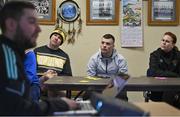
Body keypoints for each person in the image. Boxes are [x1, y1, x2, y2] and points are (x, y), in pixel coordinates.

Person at [0, 1, 77, 115]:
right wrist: (59, 104)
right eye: (31, 22)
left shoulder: (18, 54)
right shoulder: (7, 56)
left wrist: (42, 82)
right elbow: (17, 109)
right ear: (11, 24)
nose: (39, 29)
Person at [87, 34, 128, 100]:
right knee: (87, 95)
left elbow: (122, 77)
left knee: (122, 96)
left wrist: (109, 90)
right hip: (97, 86)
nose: (104, 45)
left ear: (113, 46)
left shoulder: (121, 59)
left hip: (114, 87)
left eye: (108, 44)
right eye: (102, 43)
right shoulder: (93, 58)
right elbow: (91, 77)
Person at [34, 27, 72, 97]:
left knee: (51, 79)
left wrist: (56, 76)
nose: (56, 38)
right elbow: (31, 71)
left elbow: (68, 76)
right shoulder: (37, 51)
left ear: (61, 42)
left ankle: (51, 103)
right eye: (55, 35)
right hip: (39, 82)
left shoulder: (64, 56)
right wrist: (44, 74)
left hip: (55, 83)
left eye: (60, 38)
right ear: (51, 36)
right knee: (48, 77)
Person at [147, 32, 180, 108]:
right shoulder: (155, 55)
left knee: (172, 93)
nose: (164, 43)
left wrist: (165, 74)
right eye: (163, 40)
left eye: (167, 41)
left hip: (175, 86)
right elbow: (154, 72)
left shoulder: (178, 55)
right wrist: (174, 75)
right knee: (169, 93)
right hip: (158, 86)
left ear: (173, 45)